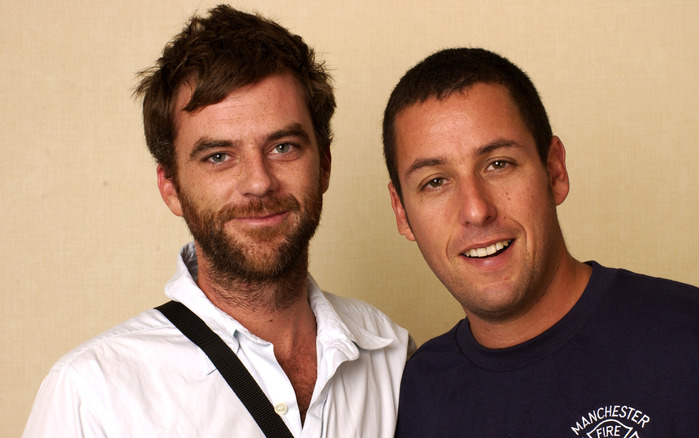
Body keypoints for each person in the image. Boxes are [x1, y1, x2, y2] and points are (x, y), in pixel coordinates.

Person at [24, 5, 412, 437]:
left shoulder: (391, 354)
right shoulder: (91, 395)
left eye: (283, 147)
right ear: (170, 186)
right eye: (219, 157)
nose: (259, 183)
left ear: (323, 166)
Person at [383, 47, 699, 437]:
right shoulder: (413, 396)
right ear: (403, 214)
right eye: (435, 182)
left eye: (498, 164)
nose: (475, 210)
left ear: (554, 171)